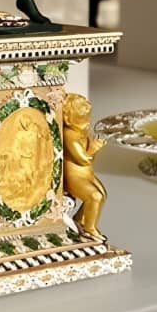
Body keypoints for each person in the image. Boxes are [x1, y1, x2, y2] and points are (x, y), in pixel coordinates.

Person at [62, 93, 107, 240]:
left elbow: (90, 160)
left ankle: (80, 219)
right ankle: (89, 229)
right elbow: (83, 160)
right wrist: (94, 148)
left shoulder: (81, 133)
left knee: (102, 194)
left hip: (87, 174)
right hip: (74, 177)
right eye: (82, 120)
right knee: (95, 196)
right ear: (69, 120)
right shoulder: (70, 136)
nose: (86, 124)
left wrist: (94, 148)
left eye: (87, 119)